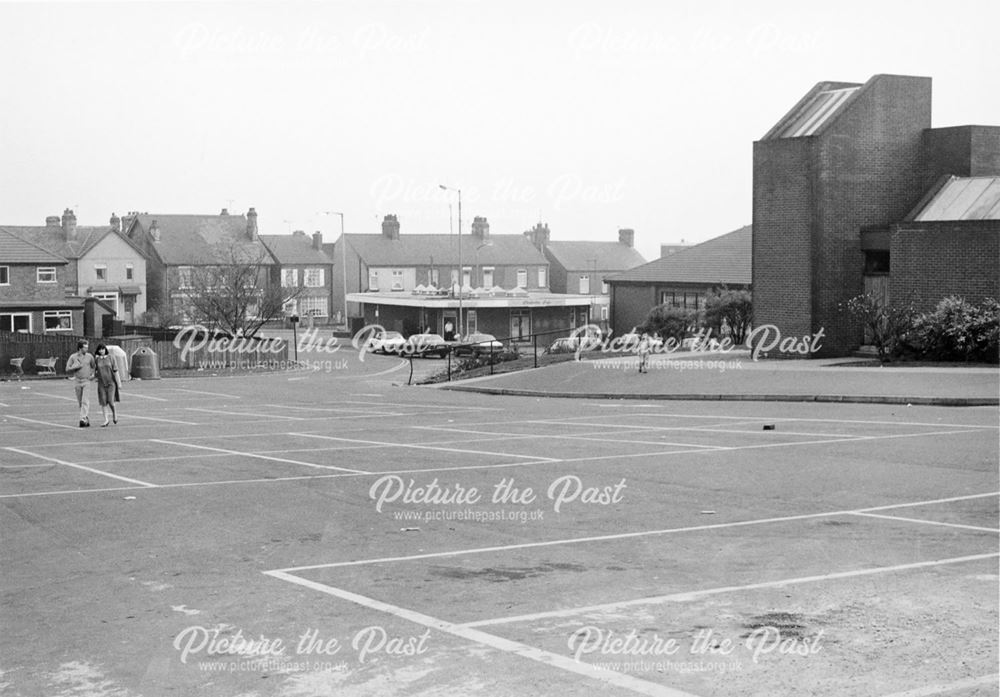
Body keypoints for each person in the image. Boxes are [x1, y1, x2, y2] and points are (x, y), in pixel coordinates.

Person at [65, 340, 96, 427]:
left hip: (86, 381)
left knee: (85, 401)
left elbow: (94, 366)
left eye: (87, 347)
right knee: (80, 402)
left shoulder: (89, 356)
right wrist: (75, 366)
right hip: (77, 381)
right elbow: (67, 368)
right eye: (85, 347)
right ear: (80, 348)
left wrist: (93, 374)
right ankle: (85, 418)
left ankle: (82, 418)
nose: (87, 348)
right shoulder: (73, 357)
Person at [94, 344, 122, 426]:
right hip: (101, 383)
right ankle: (106, 420)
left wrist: (119, 383)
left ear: (105, 349)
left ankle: (114, 413)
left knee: (111, 401)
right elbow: (95, 371)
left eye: (102, 349)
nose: (101, 351)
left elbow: (115, 370)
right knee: (103, 402)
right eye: (100, 350)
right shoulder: (97, 359)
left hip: (111, 383)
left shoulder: (111, 357)